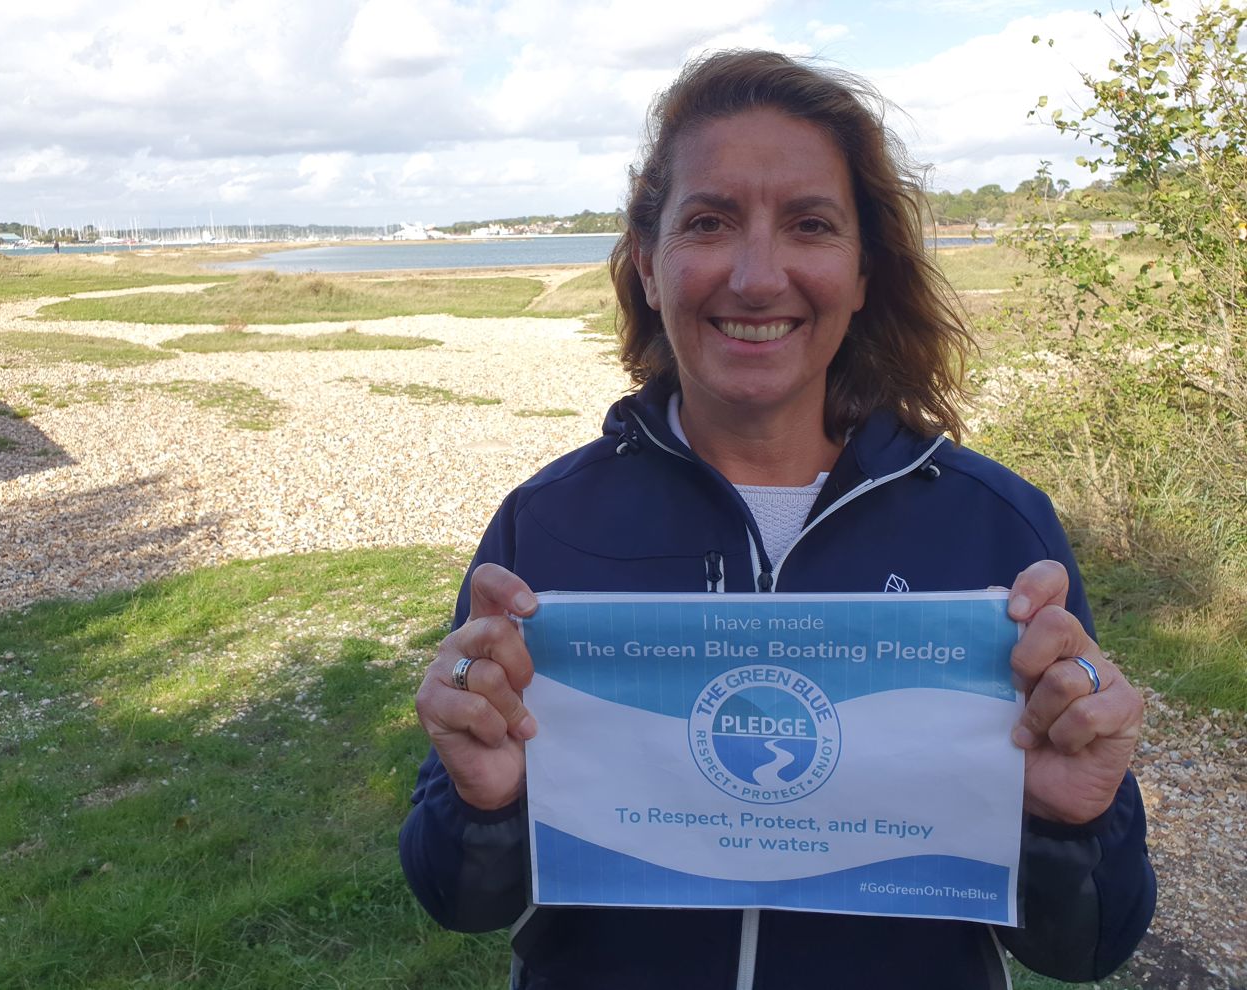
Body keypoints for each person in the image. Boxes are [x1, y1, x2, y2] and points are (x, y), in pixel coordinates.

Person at [400, 50, 1155, 989]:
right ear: (647, 262)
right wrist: (484, 804)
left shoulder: (998, 532)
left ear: (864, 270)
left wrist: (1069, 822)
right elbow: (457, 900)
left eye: (810, 225)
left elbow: (1085, 950)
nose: (758, 278)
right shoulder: (544, 527)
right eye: (710, 222)